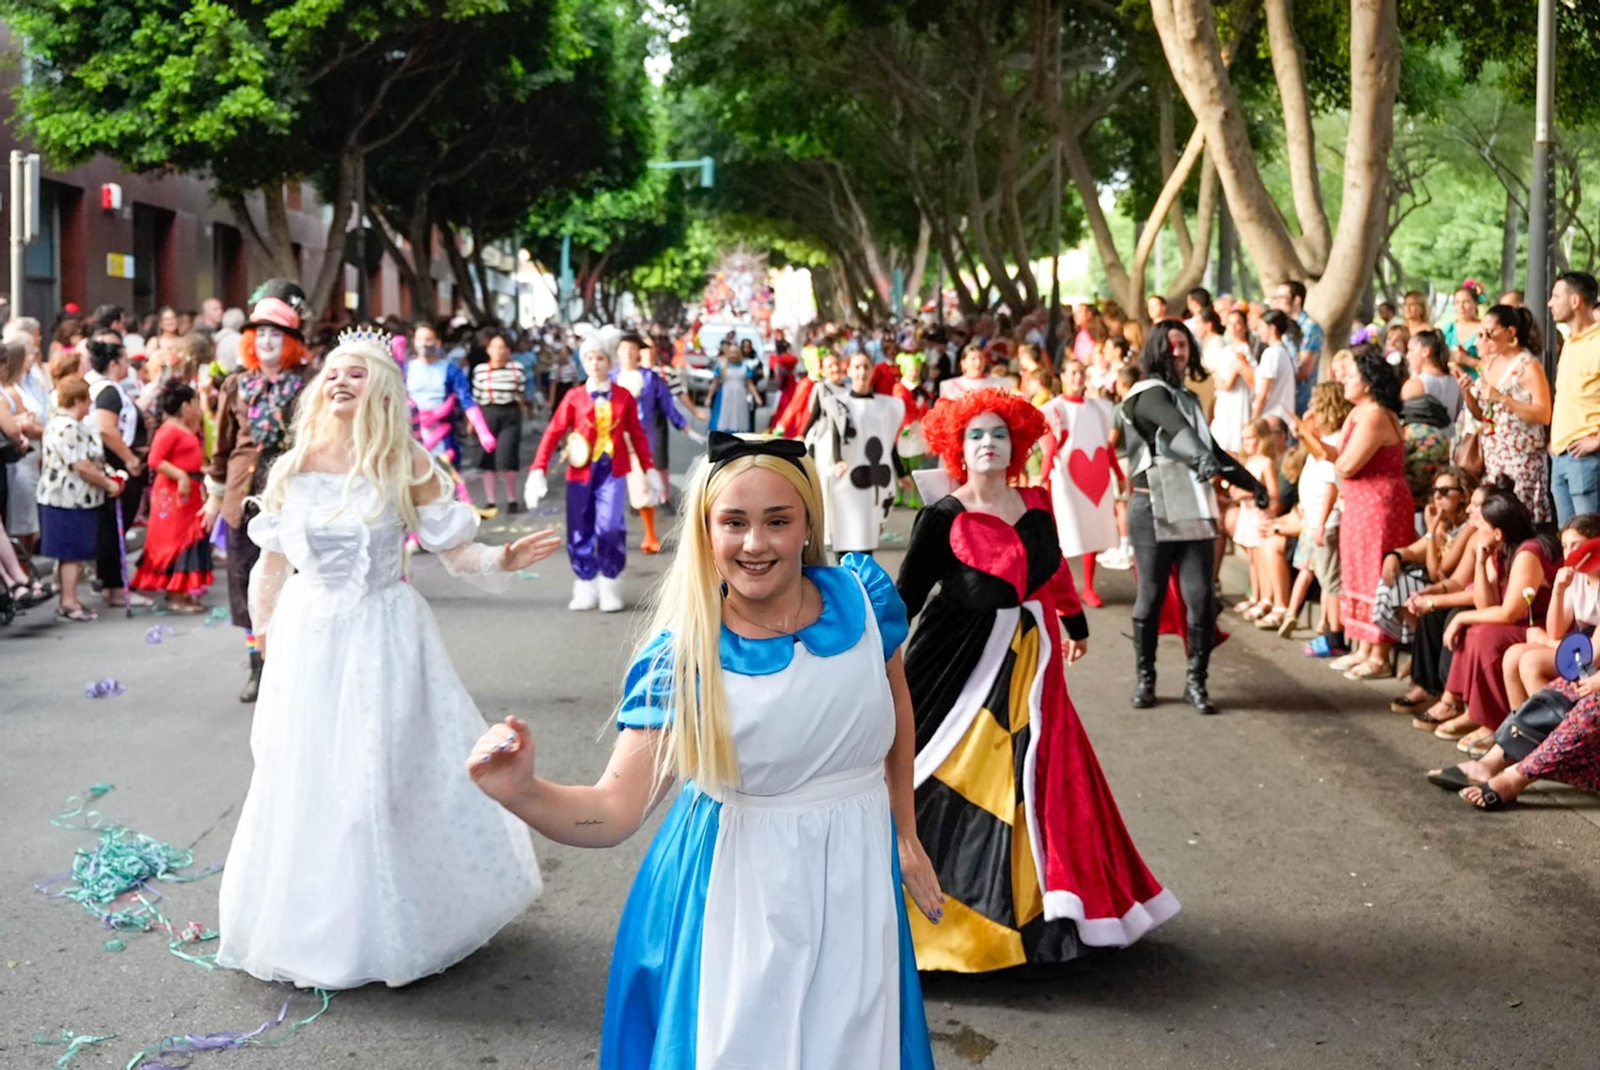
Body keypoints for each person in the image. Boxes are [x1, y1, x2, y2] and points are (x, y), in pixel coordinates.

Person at [469, 432, 941, 1067]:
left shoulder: (863, 598)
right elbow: (614, 810)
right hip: (735, 894)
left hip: (857, 873)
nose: (755, 543)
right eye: (734, 523)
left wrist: (904, 833)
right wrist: (523, 791)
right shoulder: (682, 653)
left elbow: (896, 706)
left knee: (855, 1042)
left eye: (778, 521)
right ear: (705, 531)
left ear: (807, 524)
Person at [217, 327, 555, 990]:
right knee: (307, 778)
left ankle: (396, 928)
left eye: (357, 372)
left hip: (385, 635)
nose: (340, 380)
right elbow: (271, 566)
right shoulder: (294, 464)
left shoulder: (408, 462)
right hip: (311, 640)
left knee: (380, 778)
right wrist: (265, 638)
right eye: (333, 372)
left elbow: (455, 553)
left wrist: (502, 558)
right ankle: (309, 930)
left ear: (383, 389)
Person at [895, 388, 1178, 970]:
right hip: (952, 660)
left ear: (1017, 444)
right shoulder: (941, 516)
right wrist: (864, 651)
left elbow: (1051, 579)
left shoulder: (1038, 503)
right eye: (975, 435)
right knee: (941, 772)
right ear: (958, 448)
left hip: (1030, 661)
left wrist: (1075, 624)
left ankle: (1040, 912)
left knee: (1039, 776)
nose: (988, 444)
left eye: (999, 434)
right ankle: (937, 923)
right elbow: (906, 599)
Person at [1121, 321, 1267, 713]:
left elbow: (1211, 449)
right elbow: (1175, 427)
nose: (1176, 351)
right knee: (1149, 598)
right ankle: (1145, 678)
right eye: (1168, 344)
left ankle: (1196, 682)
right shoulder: (1146, 393)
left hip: (1194, 506)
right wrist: (1203, 457)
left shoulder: (1188, 397)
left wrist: (1252, 484)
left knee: (1200, 599)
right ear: (1155, 349)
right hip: (1151, 504)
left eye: (1182, 344)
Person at [203, 283, 318, 703]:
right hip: (243, 495)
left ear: (289, 341)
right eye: (261, 333)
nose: (267, 341)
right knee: (247, 582)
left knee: (299, 580)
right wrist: (215, 498)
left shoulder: (310, 384)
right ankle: (259, 667)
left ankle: (297, 663)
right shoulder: (235, 385)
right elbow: (222, 446)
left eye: (276, 333)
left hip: (295, 493)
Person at [527, 328, 662, 613]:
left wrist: (649, 469)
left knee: (611, 526)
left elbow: (637, 435)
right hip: (580, 472)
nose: (595, 363)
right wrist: (538, 469)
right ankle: (585, 582)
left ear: (609, 361)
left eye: (600, 357)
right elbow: (553, 432)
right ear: (583, 362)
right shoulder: (574, 397)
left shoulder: (624, 396)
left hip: (612, 471)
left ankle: (610, 581)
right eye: (589, 358)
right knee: (580, 528)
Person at [36, 375, 123, 621]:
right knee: (71, 552)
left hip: (75, 498)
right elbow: (81, 465)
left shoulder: (69, 424)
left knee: (73, 552)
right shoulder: (67, 427)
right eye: (87, 401)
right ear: (78, 400)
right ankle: (68, 601)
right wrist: (107, 483)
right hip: (67, 499)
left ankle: (70, 598)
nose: (89, 407)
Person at [1458, 304, 1552, 522]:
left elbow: (1543, 414)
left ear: (1510, 332)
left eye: (1488, 333)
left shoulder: (1528, 366)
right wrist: (1467, 392)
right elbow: (1483, 414)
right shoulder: (1487, 363)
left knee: (1518, 518)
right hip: (1494, 456)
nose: (1482, 339)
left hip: (1521, 458)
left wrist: (1503, 398)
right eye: (1480, 333)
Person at [127, 380, 213, 612]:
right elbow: (155, 460)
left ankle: (183, 592)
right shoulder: (169, 429)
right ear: (185, 406)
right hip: (174, 494)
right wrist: (182, 476)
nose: (197, 407)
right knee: (175, 540)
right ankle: (175, 595)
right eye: (195, 403)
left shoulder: (184, 428)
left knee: (188, 539)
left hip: (189, 492)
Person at [1500, 513, 1600, 710]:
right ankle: (1518, 730)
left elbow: (1591, 655)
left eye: (1576, 545)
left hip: (1592, 652)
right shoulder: (1576, 577)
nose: (1569, 553)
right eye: (1564, 546)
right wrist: (1558, 589)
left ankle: (1554, 731)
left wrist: (1546, 641)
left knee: (1531, 663)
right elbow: (1556, 631)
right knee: (1512, 656)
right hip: (1582, 644)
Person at [811, 351, 904, 557]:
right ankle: (843, 579)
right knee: (845, 529)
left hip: (873, 479)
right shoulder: (838, 403)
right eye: (857, 367)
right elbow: (836, 434)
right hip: (846, 475)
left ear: (872, 371)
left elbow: (888, 442)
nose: (862, 371)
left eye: (866, 367)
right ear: (849, 371)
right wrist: (838, 460)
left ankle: (863, 582)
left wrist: (902, 473)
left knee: (866, 532)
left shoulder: (886, 406)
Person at [1040, 359, 1117, 608]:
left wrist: (1119, 473)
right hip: (1064, 476)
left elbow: (1107, 445)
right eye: (1073, 373)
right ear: (1062, 375)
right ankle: (1059, 586)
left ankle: (1089, 586)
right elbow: (1051, 444)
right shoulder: (1054, 408)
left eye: (1082, 373)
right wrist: (1044, 472)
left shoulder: (1100, 408)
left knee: (1091, 526)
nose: (1078, 378)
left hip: (1095, 476)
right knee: (1063, 529)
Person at [82, 338, 149, 611]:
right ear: (113, 364)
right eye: (124, 361)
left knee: (112, 528)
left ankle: (113, 583)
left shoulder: (107, 389)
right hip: (119, 464)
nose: (128, 366)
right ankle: (115, 587)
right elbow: (106, 428)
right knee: (113, 529)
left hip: (119, 462)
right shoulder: (108, 392)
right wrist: (130, 458)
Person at [616, 331, 698, 552]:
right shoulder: (611, 377)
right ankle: (608, 536)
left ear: (638, 353)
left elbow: (668, 406)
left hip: (640, 438)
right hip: (611, 439)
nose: (628, 354)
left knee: (642, 486)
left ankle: (650, 535)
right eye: (624, 349)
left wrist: (686, 427)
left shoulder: (652, 378)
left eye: (632, 350)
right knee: (608, 487)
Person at [408, 320, 499, 506]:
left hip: (443, 438)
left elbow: (467, 401)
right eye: (420, 339)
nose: (424, 344)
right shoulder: (405, 369)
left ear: (438, 342)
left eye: (428, 339)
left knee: (447, 487)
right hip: (411, 435)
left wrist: (483, 432)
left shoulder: (450, 369)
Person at [470, 329, 526, 516]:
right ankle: (490, 501)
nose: (498, 351)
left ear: (508, 350)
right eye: (494, 347)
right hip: (487, 413)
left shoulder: (517, 368)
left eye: (502, 347)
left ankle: (512, 499)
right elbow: (475, 398)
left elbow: (521, 393)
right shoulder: (480, 371)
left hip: (510, 413)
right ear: (488, 350)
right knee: (488, 461)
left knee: (508, 458)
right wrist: (472, 423)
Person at [1, 337, 44, 551]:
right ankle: (21, 574)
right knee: (20, 521)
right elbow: (15, 428)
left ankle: (24, 573)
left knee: (27, 520)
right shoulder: (7, 393)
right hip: (18, 462)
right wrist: (22, 424)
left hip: (27, 459)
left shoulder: (17, 388)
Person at [1271, 280, 1323, 414]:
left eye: (1282, 297)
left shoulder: (1310, 328)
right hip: (1280, 399)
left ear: (1297, 300)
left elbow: (1305, 369)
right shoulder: (1283, 327)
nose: (1277, 302)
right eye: (1276, 298)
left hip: (1299, 399)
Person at [1209, 315, 1256, 454]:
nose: (1234, 328)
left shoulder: (1243, 351)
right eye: (1230, 323)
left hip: (1237, 399)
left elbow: (1228, 383)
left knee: (1234, 438)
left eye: (1238, 323)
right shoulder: (1226, 350)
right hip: (1225, 400)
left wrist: (1219, 381)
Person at [1252, 310, 1298, 421]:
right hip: (1282, 418)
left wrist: (1253, 419)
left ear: (1272, 329)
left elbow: (1263, 393)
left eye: (1261, 327)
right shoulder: (1284, 352)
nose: (1259, 331)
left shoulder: (1272, 353)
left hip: (1270, 418)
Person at [706, 342, 760, 433]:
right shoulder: (721, 366)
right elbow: (715, 383)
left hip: (740, 395)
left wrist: (756, 396)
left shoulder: (745, 367)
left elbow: (749, 384)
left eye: (735, 352)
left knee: (738, 416)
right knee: (724, 417)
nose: (733, 355)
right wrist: (709, 397)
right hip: (725, 395)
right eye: (731, 352)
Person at [938, 343, 1010, 402]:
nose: (978, 363)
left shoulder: (999, 385)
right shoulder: (949, 385)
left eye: (981, 358)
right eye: (973, 359)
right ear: (963, 363)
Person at [1442, 280, 1486, 368]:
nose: (1461, 307)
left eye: (1466, 302)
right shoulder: (1449, 329)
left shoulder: (1484, 329)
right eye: (1457, 302)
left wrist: (1466, 360)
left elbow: (1493, 365)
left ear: (1476, 303)